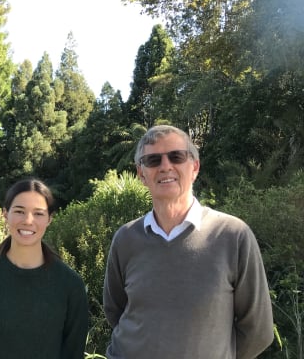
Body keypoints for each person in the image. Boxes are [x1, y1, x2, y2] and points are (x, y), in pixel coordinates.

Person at [103, 125, 274, 359]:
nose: (165, 166)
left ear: (194, 167)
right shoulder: (126, 238)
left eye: (176, 156)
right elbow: (115, 311)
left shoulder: (232, 235)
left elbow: (258, 330)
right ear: (141, 174)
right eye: (153, 160)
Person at [0, 178, 89, 359]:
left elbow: (74, 351)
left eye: (38, 213)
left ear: (50, 219)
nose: (28, 221)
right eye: (19, 211)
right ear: (5, 214)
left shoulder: (70, 285)